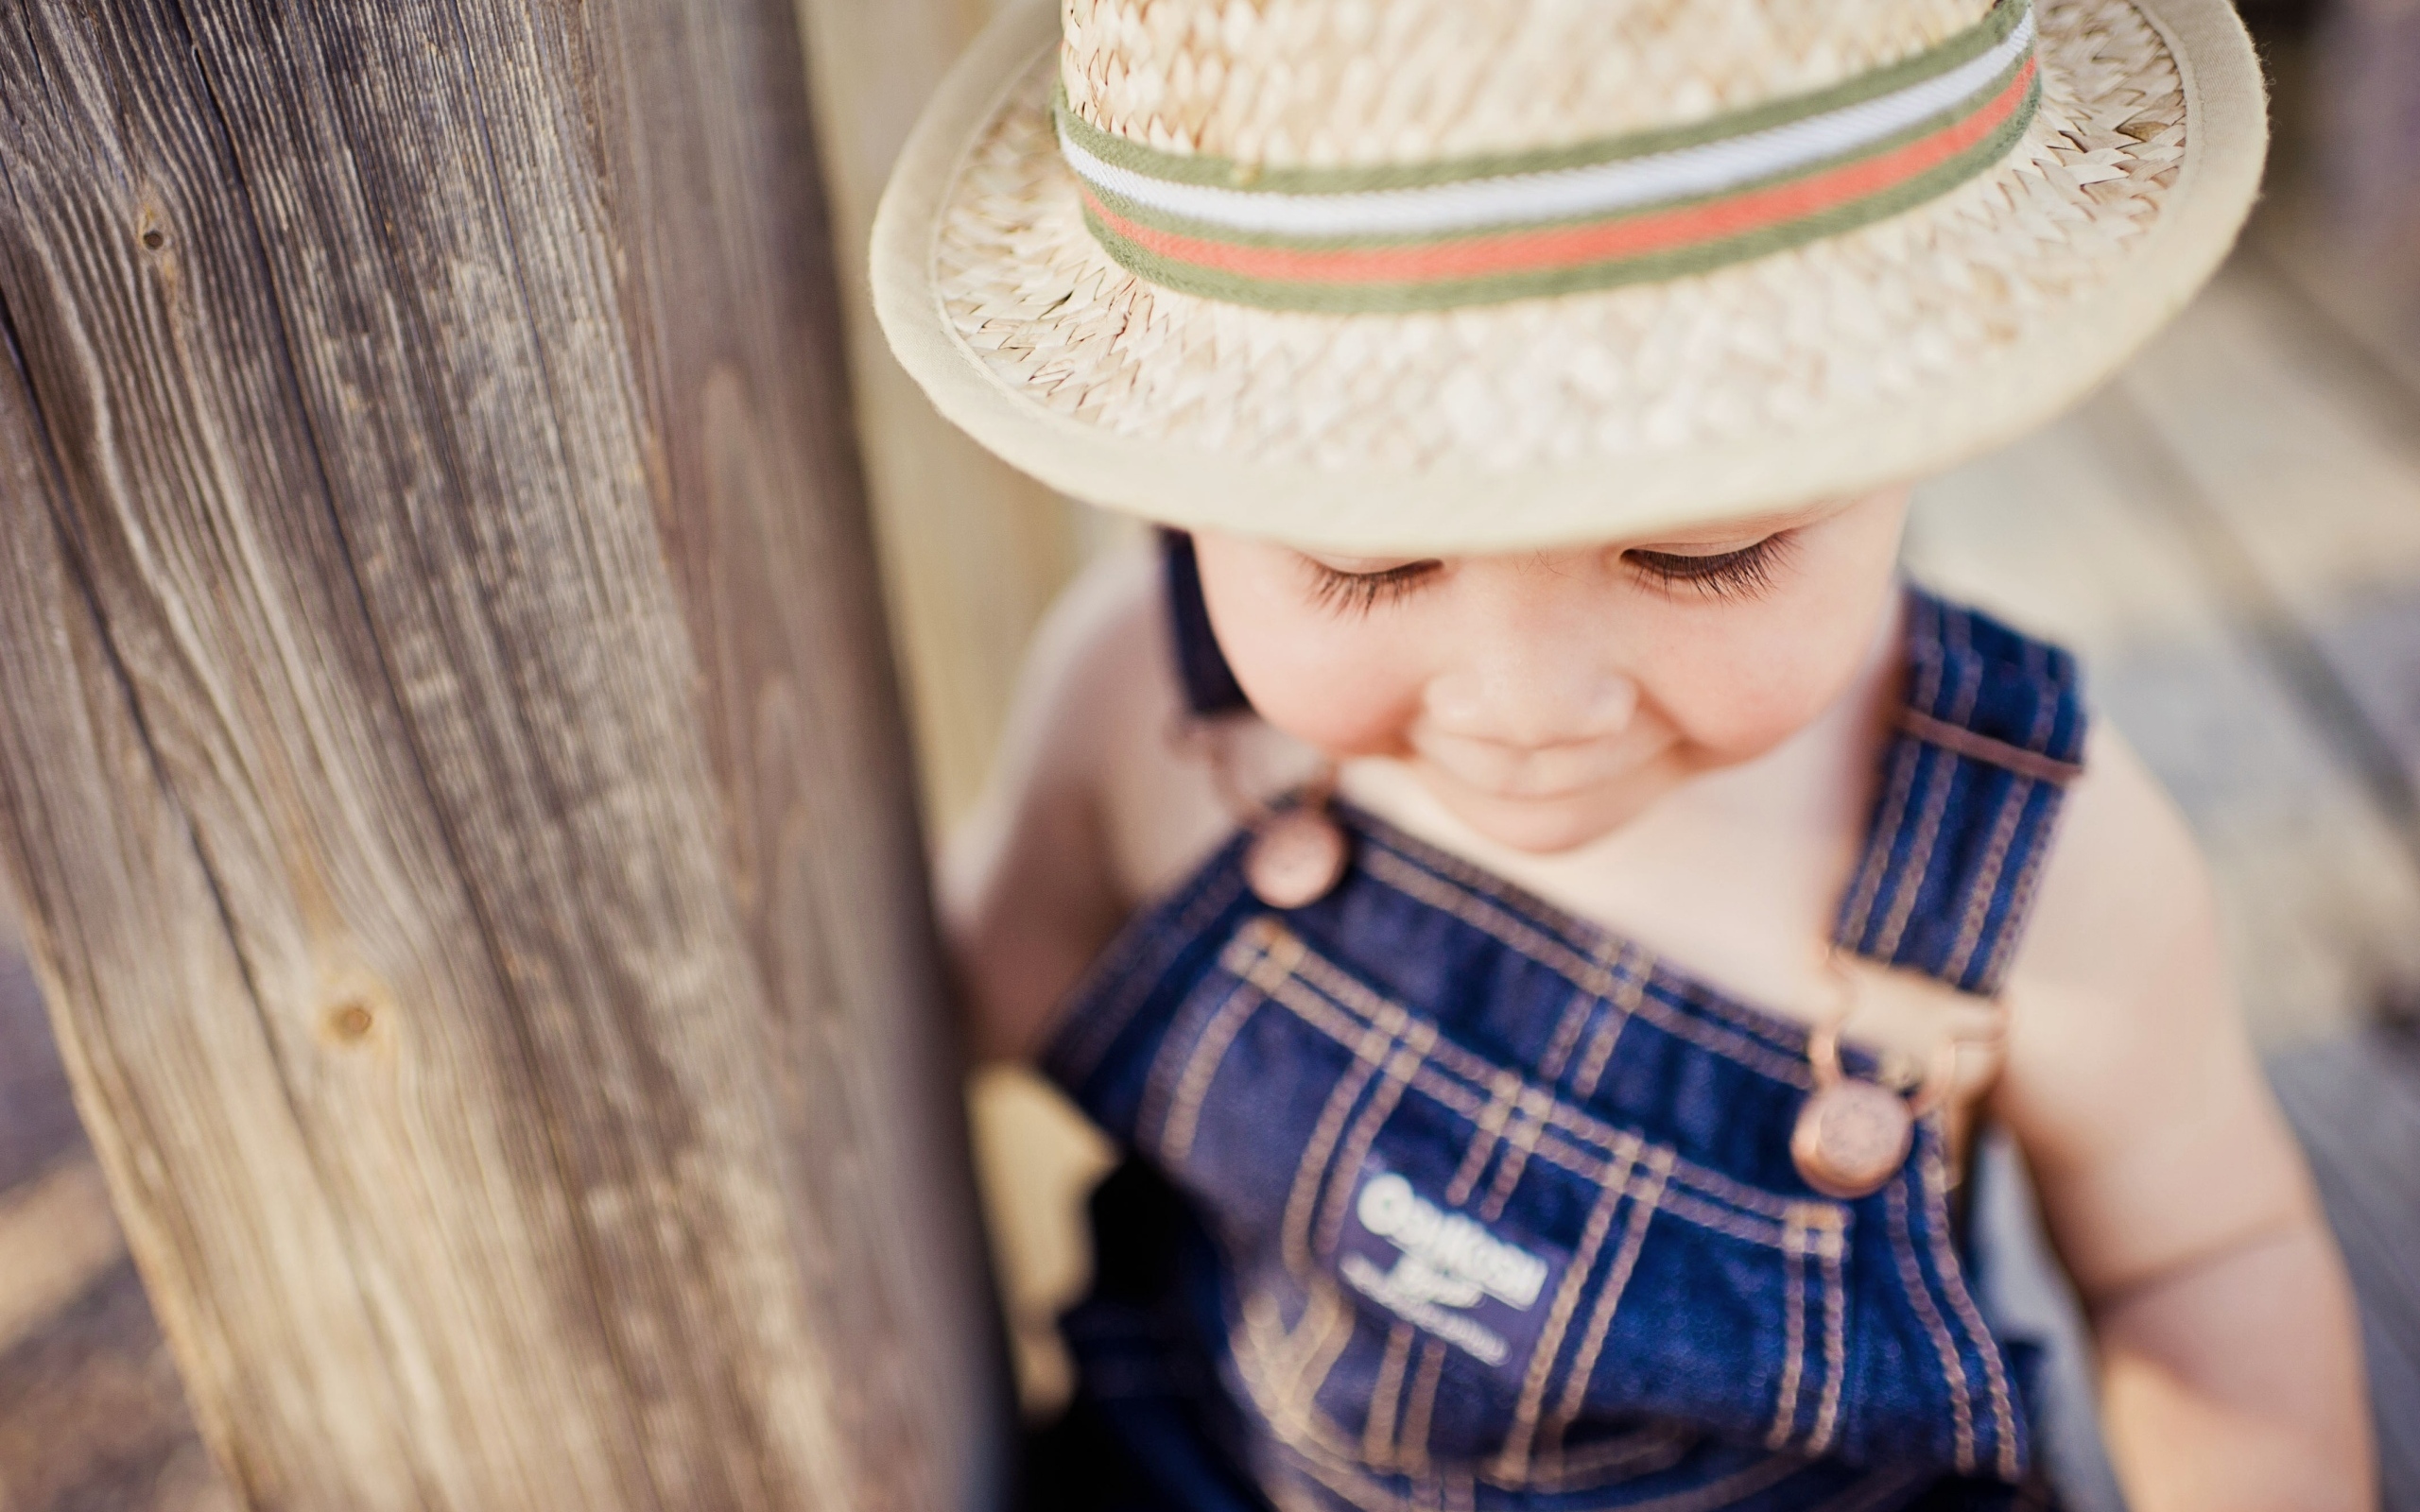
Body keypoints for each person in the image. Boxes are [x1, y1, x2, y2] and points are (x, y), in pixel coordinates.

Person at [872, 0, 2374, 1504]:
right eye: (1368, 564)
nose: (1529, 703)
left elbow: (2202, 1270)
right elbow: (908, 1043)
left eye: (1704, 553)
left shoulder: (2030, 868)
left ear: (1935, 412)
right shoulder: (1154, 714)